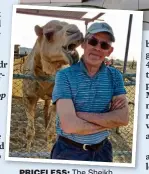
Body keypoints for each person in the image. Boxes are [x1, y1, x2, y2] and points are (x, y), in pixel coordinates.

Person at [50, 22, 129, 162]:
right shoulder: (64, 76)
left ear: (109, 51)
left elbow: (123, 118)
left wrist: (80, 115)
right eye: (93, 41)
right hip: (69, 152)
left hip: (103, 151)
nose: (98, 48)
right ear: (84, 44)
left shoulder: (115, 76)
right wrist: (109, 121)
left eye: (104, 45)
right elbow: (69, 125)